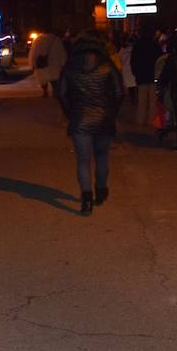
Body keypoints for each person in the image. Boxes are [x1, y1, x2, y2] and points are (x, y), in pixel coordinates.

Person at [55, 30, 123, 215]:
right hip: (104, 118)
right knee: (102, 156)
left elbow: (61, 93)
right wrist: (112, 112)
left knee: (83, 160)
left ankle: (86, 201)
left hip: (80, 118)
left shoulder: (70, 66)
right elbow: (118, 93)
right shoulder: (107, 65)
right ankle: (101, 192)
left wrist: (71, 113)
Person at [130, 28, 162, 126]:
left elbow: (133, 61)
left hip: (141, 76)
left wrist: (135, 73)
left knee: (141, 100)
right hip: (153, 75)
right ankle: (151, 120)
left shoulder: (137, 45)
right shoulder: (155, 45)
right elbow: (159, 60)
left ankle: (140, 120)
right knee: (153, 100)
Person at [30, 30, 67, 97]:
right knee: (55, 79)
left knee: (43, 79)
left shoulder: (38, 40)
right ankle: (55, 92)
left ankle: (45, 91)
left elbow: (33, 53)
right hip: (55, 64)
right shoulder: (56, 40)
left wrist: (32, 64)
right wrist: (63, 63)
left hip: (42, 65)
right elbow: (62, 53)